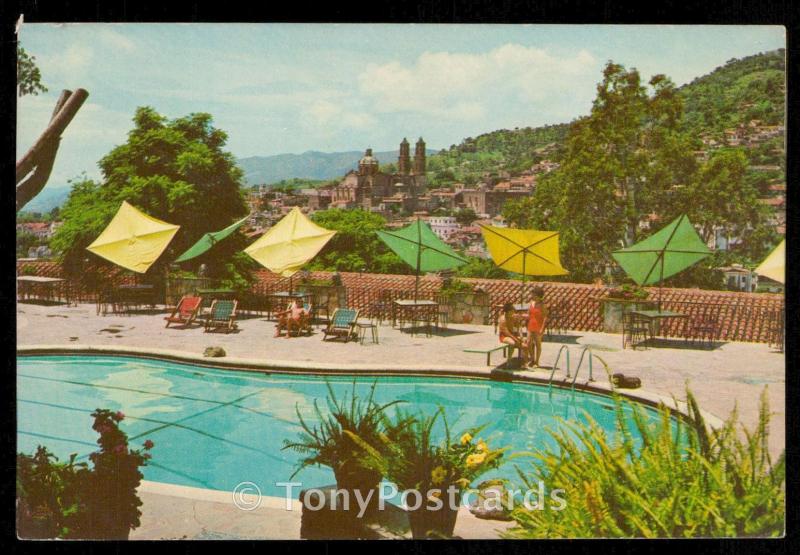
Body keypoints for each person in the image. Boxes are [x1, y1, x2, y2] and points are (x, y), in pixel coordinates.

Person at [526, 286, 548, 368]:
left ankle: (537, 362)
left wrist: (542, 328)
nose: (532, 296)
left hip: (538, 326)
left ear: (538, 295)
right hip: (530, 325)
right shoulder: (531, 303)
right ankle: (532, 359)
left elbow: (545, 317)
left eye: (534, 294)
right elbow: (528, 314)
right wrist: (520, 316)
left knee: (538, 344)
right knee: (528, 343)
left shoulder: (542, 305)